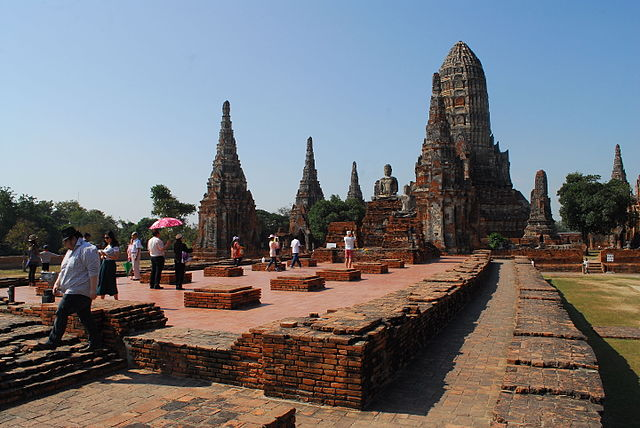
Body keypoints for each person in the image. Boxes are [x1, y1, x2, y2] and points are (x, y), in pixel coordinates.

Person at [41, 226, 102, 351]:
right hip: (71, 289)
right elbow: (64, 269)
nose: (65, 244)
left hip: (80, 290)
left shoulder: (88, 249)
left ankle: (53, 341)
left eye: (66, 241)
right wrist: (57, 283)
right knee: (85, 316)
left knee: (61, 311)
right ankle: (96, 341)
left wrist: (93, 290)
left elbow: (94, 271)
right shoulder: (70, 252)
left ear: (73, 239)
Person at [97, 231, 120, 300]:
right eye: (105, 238)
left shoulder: (115, 246)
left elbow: (116, 257)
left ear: (111, 238)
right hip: (104, 263)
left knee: (111, 280)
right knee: (102, 280)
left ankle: (116, 298)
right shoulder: (107, 246)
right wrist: (102, 255)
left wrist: (106, 254)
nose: (106, 239)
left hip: (110, 264)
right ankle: (102, 297)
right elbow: (103, 256)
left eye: (107, 238)